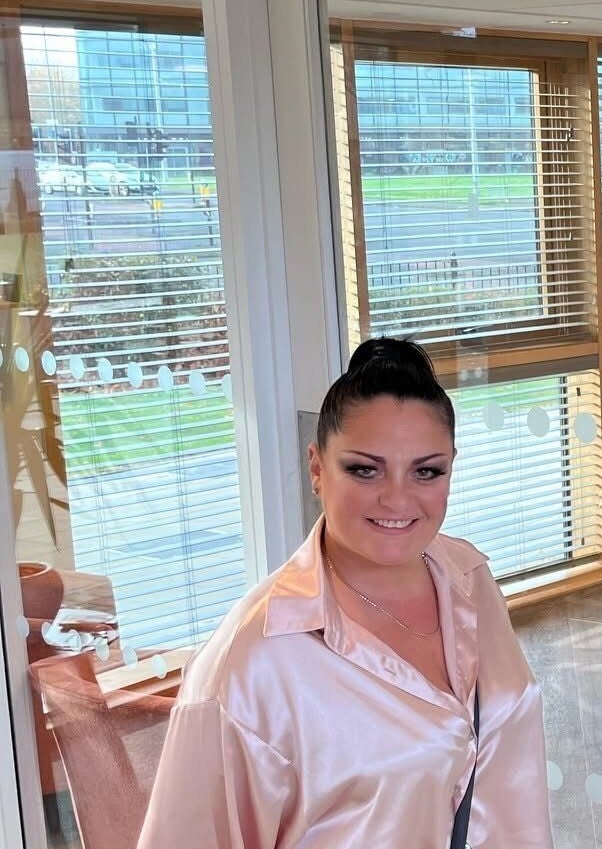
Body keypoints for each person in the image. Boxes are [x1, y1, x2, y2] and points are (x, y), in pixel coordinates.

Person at [138, 338, 554, 849]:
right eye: (365, 469)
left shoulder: (470, 577)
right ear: (317, 468)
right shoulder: (248, 665)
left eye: (426, 470)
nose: (398, 498)